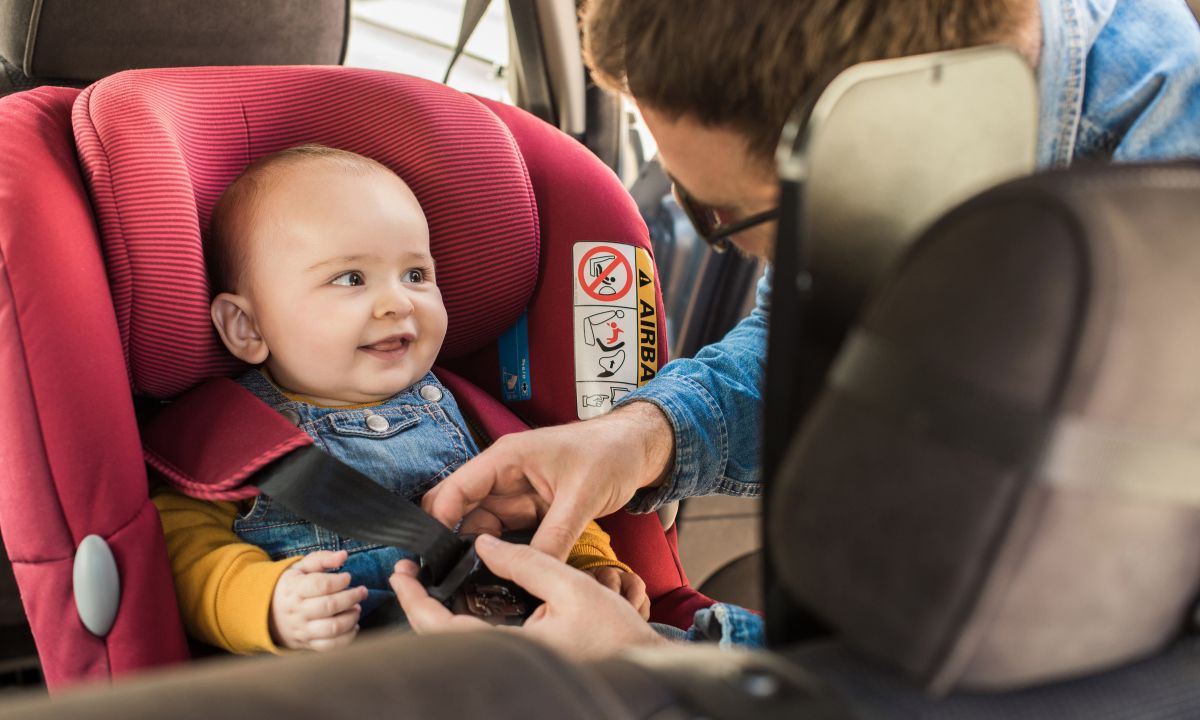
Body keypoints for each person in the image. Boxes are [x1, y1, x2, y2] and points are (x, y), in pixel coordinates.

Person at [393, 0, 1200, 657]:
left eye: (727, 213)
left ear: (897, 133)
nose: (723, 238)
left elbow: (1071, 670)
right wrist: (642, 438)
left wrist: (657, 666)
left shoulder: (1169, 224)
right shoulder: (883, 126)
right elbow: (809, 331)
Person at [152, 144, 648, 654]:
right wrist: (270, 604)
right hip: (371, 677)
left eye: (415, 275)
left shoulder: (467, 411)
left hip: (528, 643)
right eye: (350, 279)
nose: (397, 302)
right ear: (247, 326)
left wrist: (590, 562)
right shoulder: (230, 440)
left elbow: (545, 497)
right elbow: (185, 553)